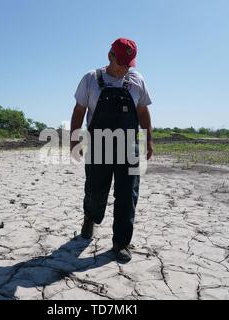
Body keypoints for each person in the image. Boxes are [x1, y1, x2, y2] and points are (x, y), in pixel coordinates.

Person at [70, 38, 154, 263]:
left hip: (129, 146)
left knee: (127, 194)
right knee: (95, 189)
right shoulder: (91, 79)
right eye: (122, 62)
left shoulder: (137, 80)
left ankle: (121, 243)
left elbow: (143, 112)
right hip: (99, 143)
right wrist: (74, 140)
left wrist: (148, 140)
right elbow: (79, 111)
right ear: (110, 56)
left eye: (130, 63)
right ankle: (90, 218)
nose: (126, 67)